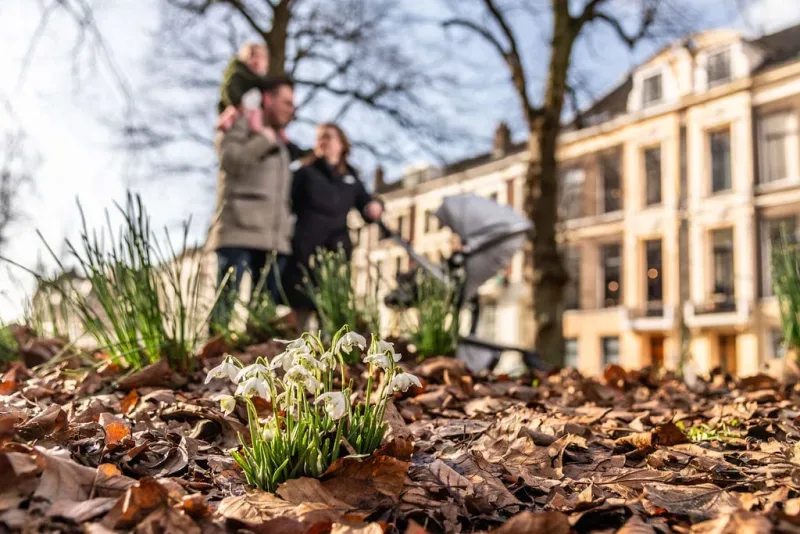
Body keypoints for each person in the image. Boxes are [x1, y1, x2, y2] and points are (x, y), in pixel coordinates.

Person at [207, 77, 297, 335]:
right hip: (239, 228)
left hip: (274, 238)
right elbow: (230, 159)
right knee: (225, 307)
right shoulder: (241, 123)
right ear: (268, 99)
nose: (292, 110)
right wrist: (264, 139)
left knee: (262, 318)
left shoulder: (281, 142)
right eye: (286, 102)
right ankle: (212, 364)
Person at [282, 123, 383, 328]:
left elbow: (366, 203)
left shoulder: (351, 177)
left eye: (328, 136)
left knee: (331, 300)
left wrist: (376, 206)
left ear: (341, 144)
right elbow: (286, 203)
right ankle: (301, 343)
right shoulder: (305, 171)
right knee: (302, 299)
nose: (322, 141)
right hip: (305, 245)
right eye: (319, 137)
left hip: (336, 248)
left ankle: (329, 345)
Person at [217, 42, 270, 130]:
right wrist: (238, 104)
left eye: (261, 57)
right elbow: (230, 89)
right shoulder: (239, 74)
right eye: (252, 56)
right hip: (236, 108)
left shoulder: (256, 82)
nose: (256, 60)